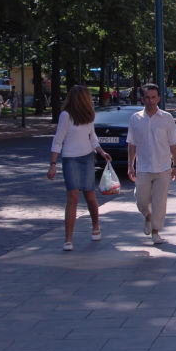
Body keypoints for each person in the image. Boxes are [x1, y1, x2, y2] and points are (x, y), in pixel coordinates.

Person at [47, 85, 111, 251]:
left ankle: (96, 226)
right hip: (70, 159)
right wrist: (53, 164)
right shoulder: (66, 116)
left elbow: (93, 138)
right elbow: (58, 140)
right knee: (73, 197)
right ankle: (68, 239)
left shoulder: (89, 115)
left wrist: (102, 152)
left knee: (90, 195)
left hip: (87, 157)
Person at [127, 83, 176, 246]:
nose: (151, 101)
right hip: (143, 167)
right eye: (147, 98)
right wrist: (131, 165)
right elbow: (132, 143)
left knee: (160, 202)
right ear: (142, 99)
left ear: (158, 98)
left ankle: (156, 232)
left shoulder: (166, 118)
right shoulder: (135, 118)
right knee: (141, 200)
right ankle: (148, 216)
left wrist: (175, 165)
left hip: (163, 166)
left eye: (154, 97)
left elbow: (174, 143)